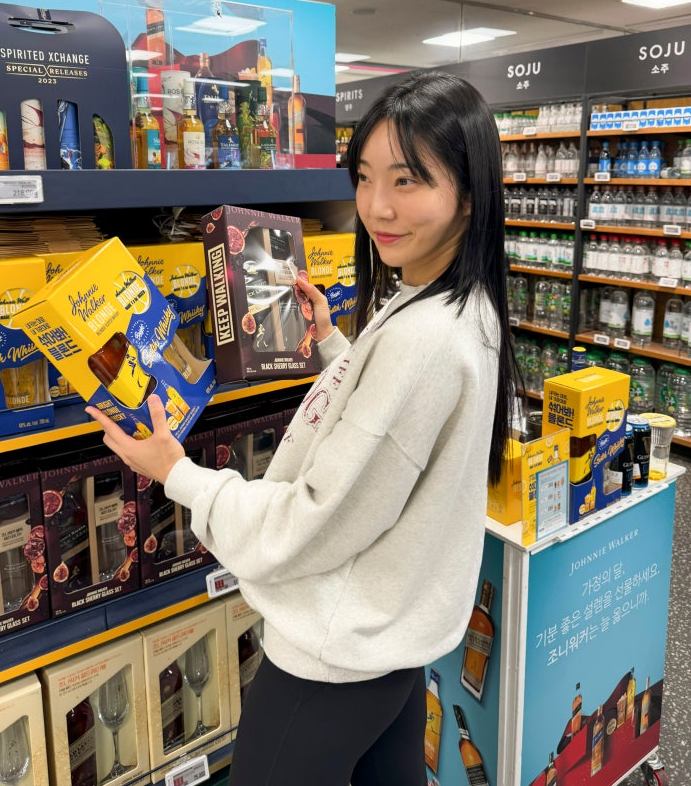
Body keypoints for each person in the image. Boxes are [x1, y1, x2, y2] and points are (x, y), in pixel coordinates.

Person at [86, 70, 519, 786]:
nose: (377, 207)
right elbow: (400, 430)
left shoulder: (423, 340)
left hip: (334, 658)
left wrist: (179, 475)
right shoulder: (458, 304)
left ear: (469, 193)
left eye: (407, 180)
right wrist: (332, 346)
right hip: (392, 637)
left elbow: (312, 521)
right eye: (365, 177)